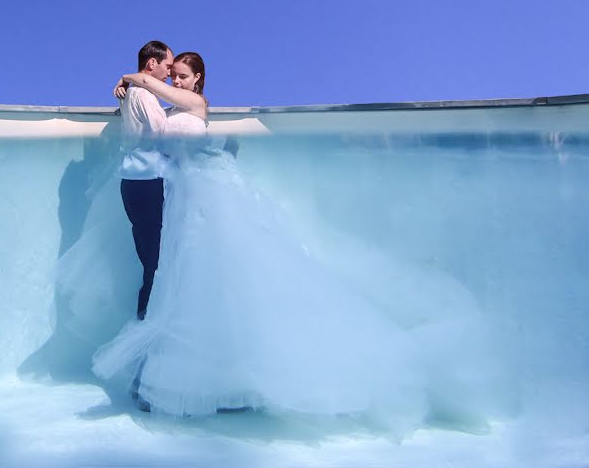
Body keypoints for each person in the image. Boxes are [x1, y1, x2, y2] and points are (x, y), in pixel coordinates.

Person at [92, 52, 512, 431]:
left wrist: (131, 76)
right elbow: (150, 120)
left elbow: (153, 91)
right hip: (187, 200)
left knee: (226, 283)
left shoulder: (196, 105)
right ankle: (212, 384)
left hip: (209, 199)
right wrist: (125, 91)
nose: (178, 82)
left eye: (183, 76)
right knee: (194, 292)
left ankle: (245, 381)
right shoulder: (167, 105)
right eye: (175, 76)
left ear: (199, 79)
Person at [118, 40, 174, 321]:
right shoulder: (145, 95)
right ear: (152, 64)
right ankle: (146, 329)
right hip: (150, 181)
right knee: (156, 263)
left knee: (148, 261)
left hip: (130, 182)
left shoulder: (129, 95)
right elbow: (163, 136)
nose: (168, 74)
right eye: (166, 66)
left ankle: (143, 325)